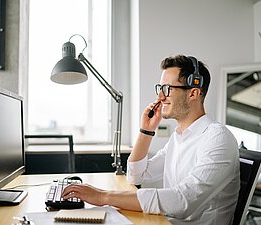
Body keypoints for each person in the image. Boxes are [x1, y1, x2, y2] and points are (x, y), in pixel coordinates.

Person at [62, 55, 240, 225]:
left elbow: (182, 201)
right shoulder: (179, 137)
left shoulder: (218, 139)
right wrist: (146, 131)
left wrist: (103, 197)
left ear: (193, 93)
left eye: (167, 89)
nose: (160, 97)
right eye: (160, 88)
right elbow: (136, 176)